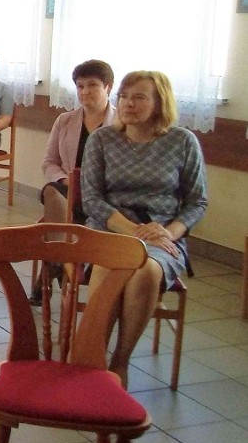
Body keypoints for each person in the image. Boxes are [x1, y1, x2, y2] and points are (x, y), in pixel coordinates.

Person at [82, 70, 207, 387]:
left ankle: (120, 362)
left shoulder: (182, 142)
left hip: (162, 236)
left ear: (159, 102)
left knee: (147, 270)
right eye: (123, 96)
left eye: (139, 97)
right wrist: (133, 230)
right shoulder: (102, 139)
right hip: (110, 228)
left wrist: (170, 232)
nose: (128, 103)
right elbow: (92, 200)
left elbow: (197, 202)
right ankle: (90, 360)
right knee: (113, 264)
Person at [30, 59, 117, 305]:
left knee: (52, 223)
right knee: (51, 191)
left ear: (108, 87)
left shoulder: (121, 124)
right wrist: (65, 179)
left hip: (104, 197)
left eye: (92, 85)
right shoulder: (65, 121)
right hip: (69, 190)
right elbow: (49, 162)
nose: (85, 91)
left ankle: (51, 268)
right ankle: (59, 260)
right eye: (80, 86)